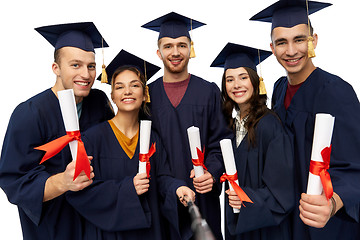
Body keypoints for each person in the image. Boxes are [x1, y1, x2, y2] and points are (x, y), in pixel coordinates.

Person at [250, 1, 360, 239]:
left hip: (326, 223)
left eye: (299, 39)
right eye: (281, 42)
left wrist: (333, 203)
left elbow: (355, 165)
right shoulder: (279, 90)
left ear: (314, 41)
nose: (291, 51)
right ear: (271, 47)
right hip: (288, 218)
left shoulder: (336, 92)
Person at [0, 22, 114, 240]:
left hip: (98, 221)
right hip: (55, 226)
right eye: (75, 65)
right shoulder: (29, 114)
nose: (86, 74)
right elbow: (14, 181)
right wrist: (63, 181)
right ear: (56, 68)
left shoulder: (98, 101)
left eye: (91, 66)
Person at [65, 49, 196, 239]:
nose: (127, 91)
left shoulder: (152, 138)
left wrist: (177, 188)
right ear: (113, 96)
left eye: (135, 85)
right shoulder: (92, 139)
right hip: (109, 234)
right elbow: (80, 192)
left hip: (149, 232)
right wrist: (128, 188)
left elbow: (162, 179)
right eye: (119, 87)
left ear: (144, 94)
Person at [142, 12, 233, 240]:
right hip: (162, 200)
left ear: (191, 48)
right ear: (158, 52)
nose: (175, 52)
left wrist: (211, 174)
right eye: (168, 46)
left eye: (182, 45)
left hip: (202, 197)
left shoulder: (209, 91)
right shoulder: (147, 95)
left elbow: (222, 142)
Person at [211, 42, 294, 240]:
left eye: (243, 77)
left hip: (266, 230)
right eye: (229, 79)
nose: (236, 85)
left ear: (256, 82)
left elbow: (282, 191)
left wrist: (247, 200)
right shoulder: (230, 125)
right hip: (238, 225)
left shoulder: (269, 126)